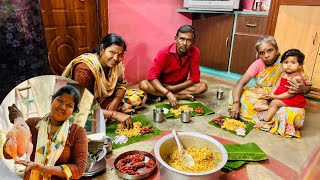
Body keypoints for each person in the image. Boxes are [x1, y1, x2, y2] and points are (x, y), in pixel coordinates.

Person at [229, 36, 311, 138]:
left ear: (277, 50)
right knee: (237, 95)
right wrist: (236, 103)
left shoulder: (288, 62)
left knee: (293, 113)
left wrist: (302, 88)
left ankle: (266, 117)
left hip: (286, 98)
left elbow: (308, 88)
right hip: (265, 96)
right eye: (262, 53)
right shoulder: (258, 64)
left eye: (270, 50)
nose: (266, 56)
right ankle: (272, 116)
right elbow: (240, 83)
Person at [62, 33, 147, 129]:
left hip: (104, 101)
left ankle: (110, 113)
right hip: (81, 107)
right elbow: (80, 105)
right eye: (112, 52)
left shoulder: (117, 65)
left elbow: (121, 84)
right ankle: (109, 115)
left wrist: (116, 101)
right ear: (102, 48)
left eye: (120, 55)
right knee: (84, 124)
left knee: (140, 96)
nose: (115, 58)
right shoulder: (85, 69)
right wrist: (114, 114)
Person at [3, 85, 88, 179]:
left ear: (73, 111)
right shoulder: (32, 124)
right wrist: (15, 133)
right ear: (52, 100)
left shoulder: (77, 132)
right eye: (60, 100)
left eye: (69, 105)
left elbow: (79, 169)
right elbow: (6, 154)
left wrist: (42, 168)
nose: (63, 107)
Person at [139, 25, 208, 108]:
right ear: (176, 39)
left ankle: (163, 95)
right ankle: (179, 96)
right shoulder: (164, 52)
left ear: (193, 42)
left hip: (180, 85)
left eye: (189, 40)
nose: (184, 43)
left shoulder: (195, 52)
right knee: (143, 85)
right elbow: (152, 77)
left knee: (203, 87)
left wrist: (173, 89)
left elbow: (195, 78)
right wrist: (167, 92)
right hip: (163, 85)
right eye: (182, 39)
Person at [254, 49, 307, 128]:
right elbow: (276, 86)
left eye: (293, 63)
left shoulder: (297, 77)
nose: (288, 65)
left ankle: (265, 121)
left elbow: (290, 94)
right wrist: (271, 94)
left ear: (300, 65)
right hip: (281, 95)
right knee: (266, 98)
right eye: (286, 62)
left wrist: (275, 97)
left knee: (274, 102)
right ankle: (267, 106)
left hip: (292, 98)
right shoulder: (283, 74)